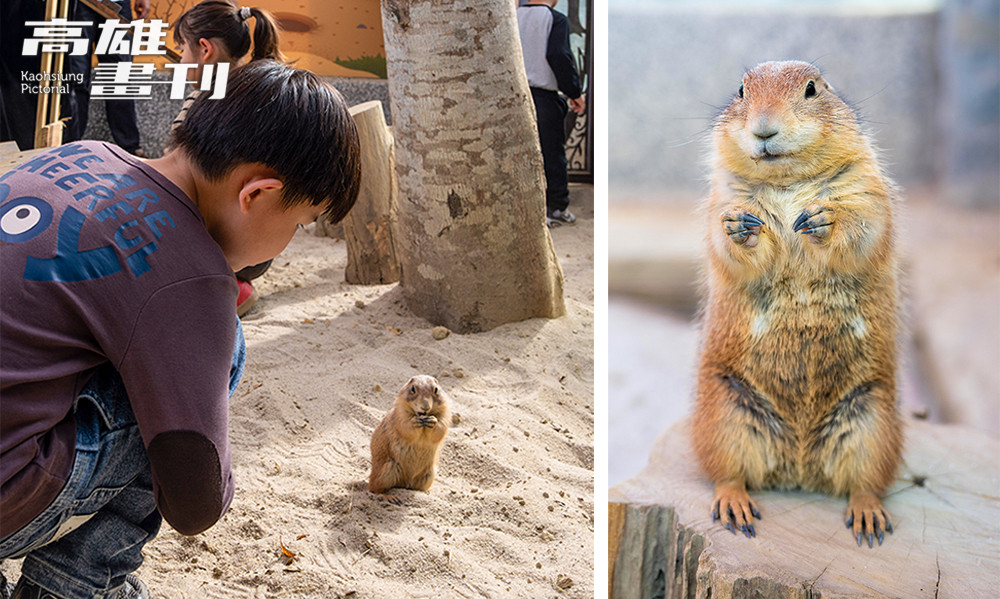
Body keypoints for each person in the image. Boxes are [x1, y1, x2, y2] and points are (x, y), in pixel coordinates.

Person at [0, 60, 361, 599]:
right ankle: (75, 586)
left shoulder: (77, 156)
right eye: (300, 223)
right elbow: (195, 503)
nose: (287, 245)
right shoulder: (192, 277)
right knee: (210, 362)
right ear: (257, 195)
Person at [168, 0, 285, 315]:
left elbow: (174, 172)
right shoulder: (264, 91)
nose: (180, 59)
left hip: (224, 246)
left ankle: (223, 289)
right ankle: (233, 284)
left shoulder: (201, 103)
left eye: (182, 49)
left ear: (205, 49)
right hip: (263, 246)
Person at [516, 0, 586, 228]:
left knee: (519, 155)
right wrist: (574, 92)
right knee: (552, 154)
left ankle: (526, 209)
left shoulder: (512, 18)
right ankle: (556, 208)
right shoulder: (555, 19)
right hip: (544, 98)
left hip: (514, 98)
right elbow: (559, 56)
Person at [62, 0, 151, 156]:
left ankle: (129, 148)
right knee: (77, 78)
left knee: (119, 77)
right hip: (78, 5)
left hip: (117, 5)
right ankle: (70, 147)